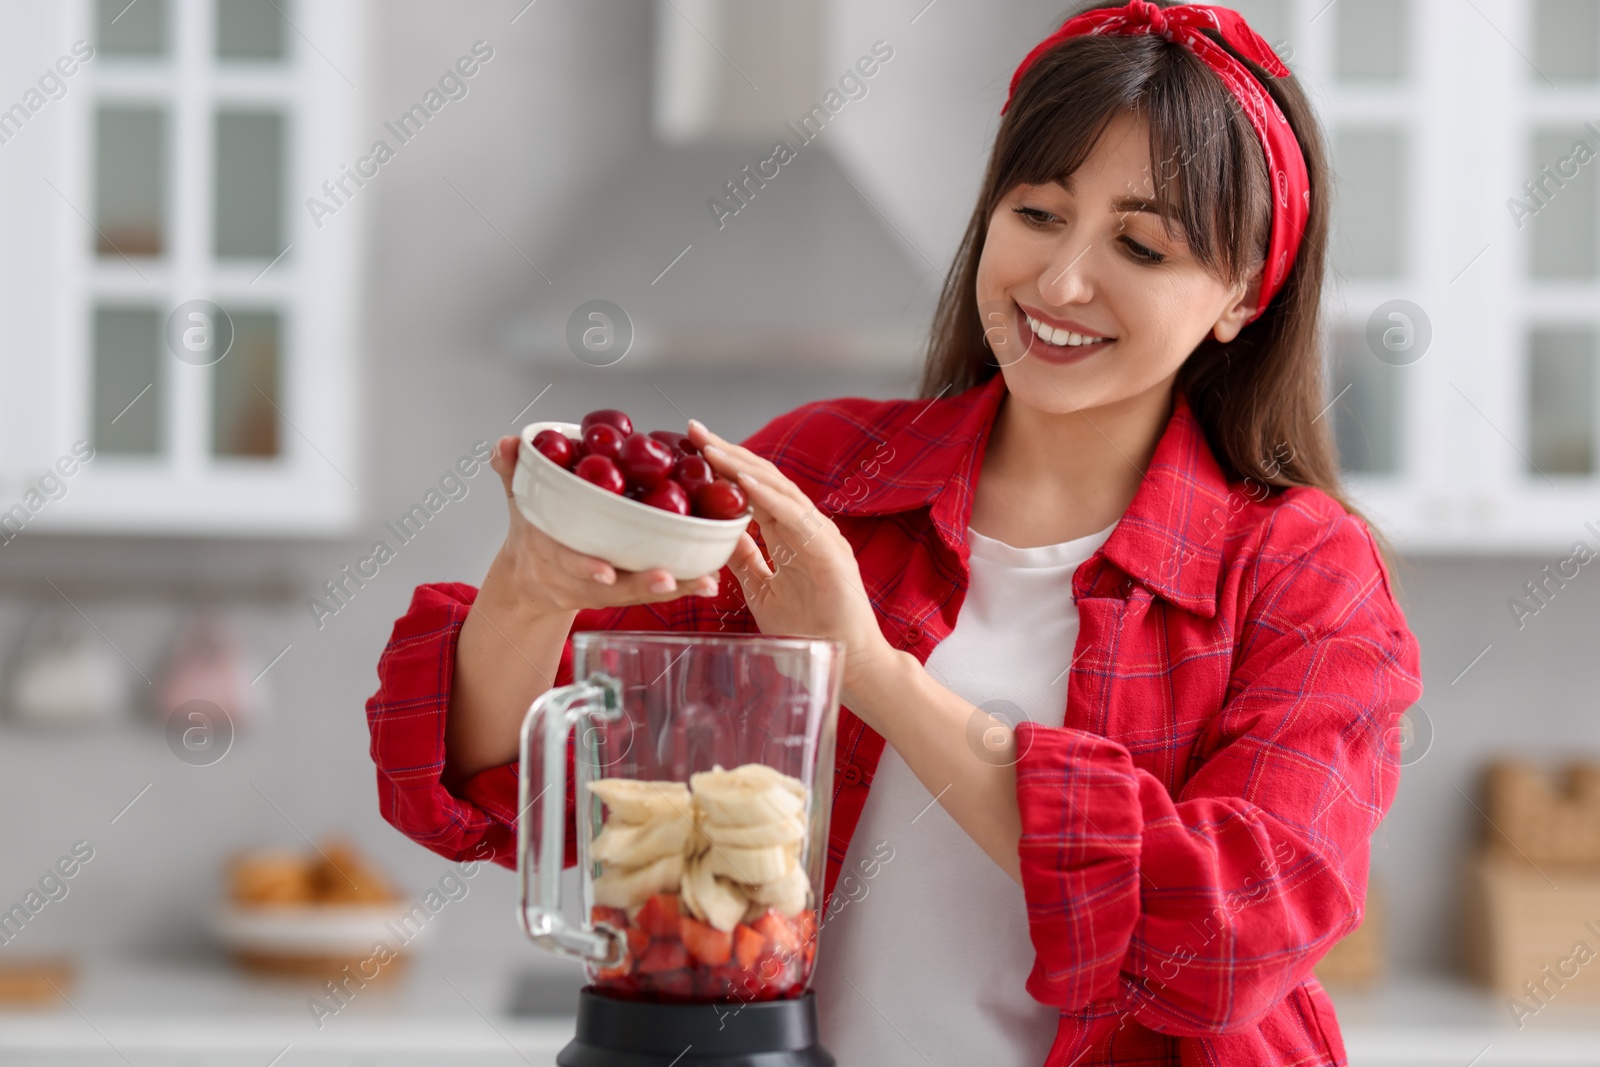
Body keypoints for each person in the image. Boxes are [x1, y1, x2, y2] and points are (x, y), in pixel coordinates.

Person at [364, 2, 1423, 1063]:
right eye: (1037, 213)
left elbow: (1229, 932)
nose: (1058, 283)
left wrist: (869, 668)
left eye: (1140, 246)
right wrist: (534, 586)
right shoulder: (830, 475)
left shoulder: (1305, 572)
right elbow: (515, 785)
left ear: (1241, 293)